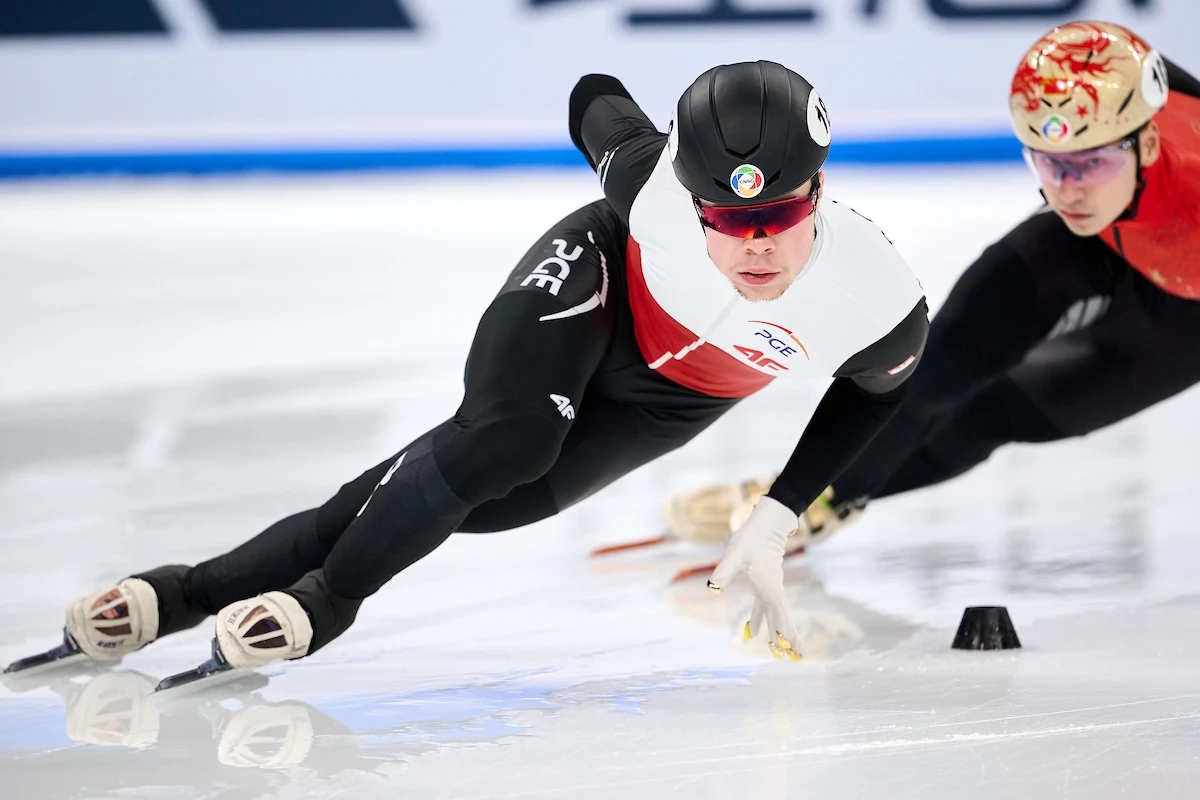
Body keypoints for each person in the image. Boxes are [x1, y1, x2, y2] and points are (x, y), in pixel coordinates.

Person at [18, 61, 928, 672]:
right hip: (601, 281)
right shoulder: (648, 187)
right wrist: (626, 134)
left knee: (477, 504)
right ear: (688, 201)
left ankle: (183, 593)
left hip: (673, 397)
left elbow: (874, 394)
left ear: (820, 189)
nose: (754, 245)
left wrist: (774, 517)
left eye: (777, 217)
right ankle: (326, 603)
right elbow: (593, 95)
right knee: (507, 438)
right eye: (727, 222)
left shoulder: (877, 300)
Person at [666, 22, 1200, 560]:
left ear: (1148, 141)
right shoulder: (1113, 107)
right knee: (941, 360)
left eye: (1093, 163)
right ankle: (810, 492)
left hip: (1185, 317)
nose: (1069, 189)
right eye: (1049, 163)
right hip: (1100, 239)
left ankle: (828, 499)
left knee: (993, 414)